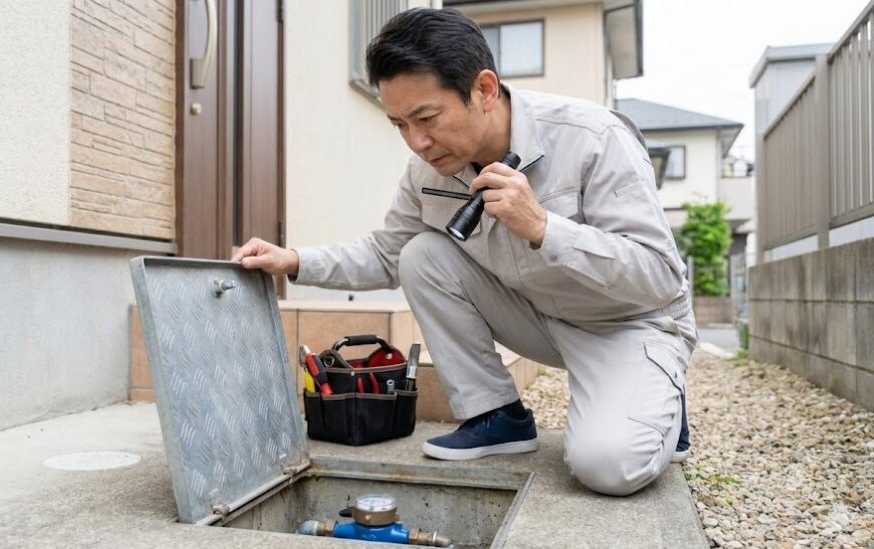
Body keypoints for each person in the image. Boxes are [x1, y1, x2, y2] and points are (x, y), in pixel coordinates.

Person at [233, 8, 695, 497]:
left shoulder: (593, 137)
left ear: (485, 90)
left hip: (628, 324)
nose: (418, 143)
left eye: (427, 118)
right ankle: (497, 414)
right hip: (540, 318)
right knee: (422, 254)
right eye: (399, 125)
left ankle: (658, 399)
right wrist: (295, 261)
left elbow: (660, 276)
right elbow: (388, 254)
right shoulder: (427, 172)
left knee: (606, 466)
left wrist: (543, 227)